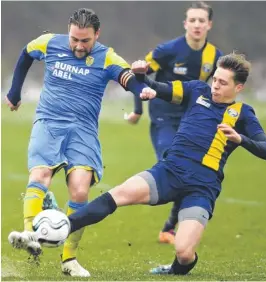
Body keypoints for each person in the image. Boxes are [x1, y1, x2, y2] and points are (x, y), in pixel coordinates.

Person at [9, 54, 266, 276]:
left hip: (201, 188)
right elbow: (158, 88)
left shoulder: (243, 114)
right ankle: (51, 229)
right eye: (215, 79)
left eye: (222, 83)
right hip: (168, 172)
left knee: (183, 252)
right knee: (117, 194)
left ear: (238, 88)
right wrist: (142, 76)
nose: (215, 86)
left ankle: (175, 270)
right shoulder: (197, 90)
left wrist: (242, 139)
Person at [5, 8, 155, 277]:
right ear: (68, 31)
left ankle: (69, 260)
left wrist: (140, 88)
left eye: (85, 41)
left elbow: (126, 76)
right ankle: (30, 234)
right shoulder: (51, 42)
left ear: (97, 34)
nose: (78, 45)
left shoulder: (106, 56)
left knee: (80, 191)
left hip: (83, 130)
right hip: (49, 122)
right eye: (74, 38)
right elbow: (26, 53)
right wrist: (14, 93)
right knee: (40, 173)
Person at [126, 1, 223, 244]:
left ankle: (169, 227)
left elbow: (220, 87)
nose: (197, 25)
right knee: (173, 165)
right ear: (185, 24)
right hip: (164, 116)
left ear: (209, 24)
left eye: (202, 20)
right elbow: (138, 74)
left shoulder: (215, 56)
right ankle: (170, 225)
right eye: (193, 20)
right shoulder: (168, 50)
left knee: (192, 170)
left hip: (193, 119)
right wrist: (138, 109)